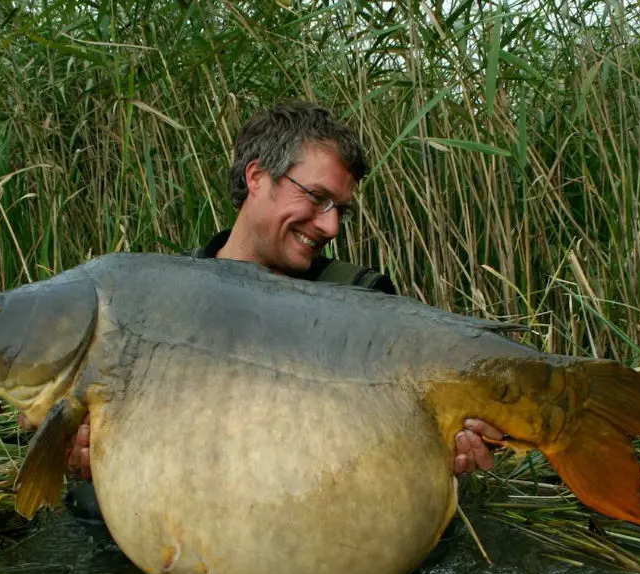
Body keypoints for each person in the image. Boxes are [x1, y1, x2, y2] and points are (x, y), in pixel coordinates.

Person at [34, 101, 503, 507]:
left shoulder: (362, 300)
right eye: (318, 198)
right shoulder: (153, 304)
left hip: (317, 534)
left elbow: (417, 432)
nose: (332, 226)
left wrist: (451, 447)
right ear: (257, 177)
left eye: (341, 209)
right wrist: (81, 458)